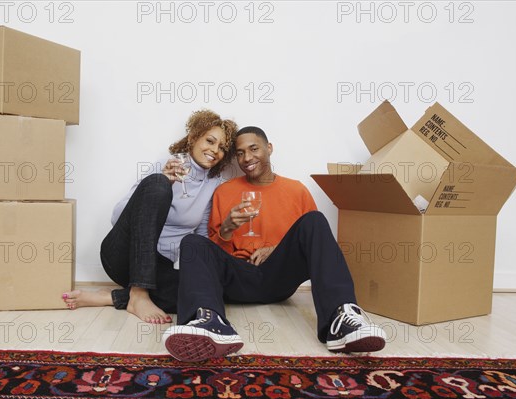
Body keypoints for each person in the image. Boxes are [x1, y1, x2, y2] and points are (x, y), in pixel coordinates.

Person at [162, 126, 386, 361]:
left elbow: (313, 246)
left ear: (269, 148)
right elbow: (213, 259)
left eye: (253, 149)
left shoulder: (296, 190)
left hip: (278, 277)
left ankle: (341, 319)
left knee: (315, 220)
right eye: (239, 153)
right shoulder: (224, 191)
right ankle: (208, 322)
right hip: (236, 279)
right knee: (193, 242)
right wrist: (227, 229)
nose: (246, 158)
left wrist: (276, 249)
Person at [62, 110, 238, 324]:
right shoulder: (166, 166)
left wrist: (204, 274)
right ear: (193, 137)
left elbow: (200, 237)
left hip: (158, 267)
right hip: (123, 255)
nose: (214, 150)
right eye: (210, 141)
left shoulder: (213, 185)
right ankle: (138, 292)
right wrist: (166, 181)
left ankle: (113, 296)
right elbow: (117, 216)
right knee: (158, 184)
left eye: (222, 148)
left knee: (205, 292)